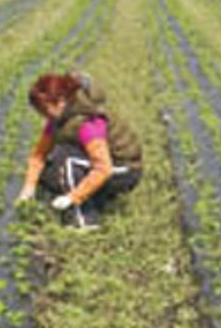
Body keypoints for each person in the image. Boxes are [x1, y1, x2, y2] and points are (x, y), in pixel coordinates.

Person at [16, 72, 143, 229]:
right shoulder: (56, 121)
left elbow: (104, 168)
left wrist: (72, 198)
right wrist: (28, 188)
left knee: (67, 162)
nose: (42, 115)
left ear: (60, 102)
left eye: (44, 109)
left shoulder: (87, 123)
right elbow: (38, 156)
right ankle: (94, 202)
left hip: (123, 170)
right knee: (50, 166)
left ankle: (84, 221)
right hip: (100, 165)